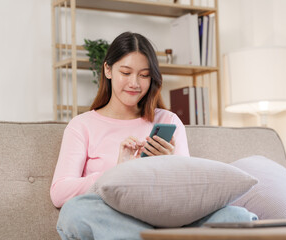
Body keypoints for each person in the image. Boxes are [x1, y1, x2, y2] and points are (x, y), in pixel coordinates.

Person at [51, 32, 257, 240]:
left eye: (144, 75)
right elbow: (60, 193)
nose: (135, 83)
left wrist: (170, 163)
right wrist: (116, 172)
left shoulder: (169, 121)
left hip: (168, 217)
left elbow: (188, 194)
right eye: (126, 72)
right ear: (108, 69)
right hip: (116, 219)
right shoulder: (82, 125)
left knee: (236, 216)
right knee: (75, 212)